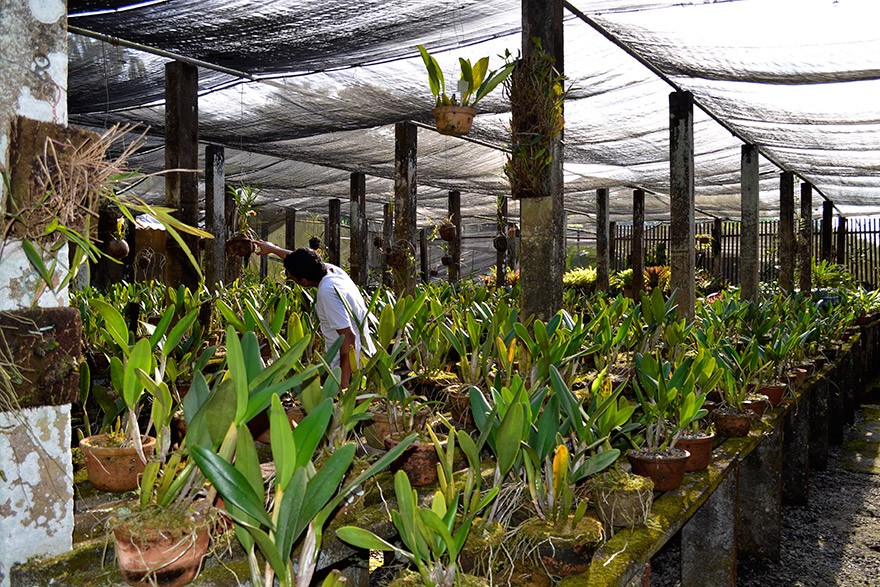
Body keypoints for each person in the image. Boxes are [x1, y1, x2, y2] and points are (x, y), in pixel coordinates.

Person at [254, 240, 374, 388]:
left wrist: (343, 385)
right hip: (359, 360)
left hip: (347, 369)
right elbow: (303, 260)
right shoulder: (333, 272)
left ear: (303, 282)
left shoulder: (327, 292)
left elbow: (349, 337)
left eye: (292, 276)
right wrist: (273, 249)